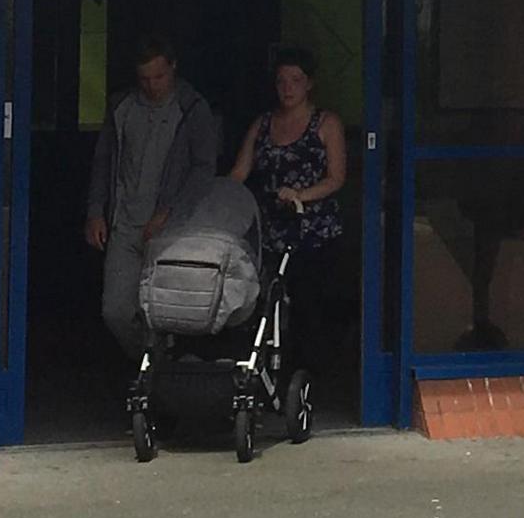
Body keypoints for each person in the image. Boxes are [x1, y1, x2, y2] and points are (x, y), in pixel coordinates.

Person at [88, 40, 220, 350]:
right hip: (124, 224)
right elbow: (103, 161)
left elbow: (203, 168)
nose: (151, 85)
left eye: (159, 77)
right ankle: (148, 362)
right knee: (116, 312)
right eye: (144, 78)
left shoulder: (192, 108)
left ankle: (157, 373)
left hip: (173, 229)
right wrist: (96, 210)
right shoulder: (121, 106)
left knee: (167, 311)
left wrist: (169, 211)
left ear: (173, 67)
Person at [228, 48, 349, 267]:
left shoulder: (326, 123)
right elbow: (239, 172)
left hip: (315, 233)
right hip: (268, 233)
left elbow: (336, 178)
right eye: (281, 82)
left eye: (295, 80)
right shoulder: (262, 124)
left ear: (309, 83)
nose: (288, 88)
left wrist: (300, 195)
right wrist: (217, 197)